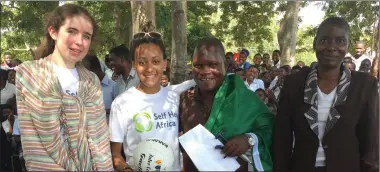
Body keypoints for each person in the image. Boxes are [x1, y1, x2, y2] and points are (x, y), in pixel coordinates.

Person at [273, 17, 379, 172]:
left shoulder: (364, 86)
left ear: (347, 45)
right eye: (324, 40)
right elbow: (282, 139)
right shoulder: (293, 83)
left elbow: (370, 144)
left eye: (340, 41)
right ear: (314, 43)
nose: (331, 47)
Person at [15, 4, 113, 171]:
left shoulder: (91, 81)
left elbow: (100, 140)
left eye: (87, 36)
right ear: (53, 32)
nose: (79, 42)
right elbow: (38, 142)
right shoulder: (29, 73)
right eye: (72, 31)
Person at [179, 37, 273, 172]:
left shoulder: (245, 98)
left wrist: (249, 139)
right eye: (198, 65)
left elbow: (271, 128)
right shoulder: (183, 99)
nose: (205, 71)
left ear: (225, 65)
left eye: (212, 65)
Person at [110, 32, 181, 171]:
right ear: (134, 65)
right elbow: (115, 154)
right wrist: (126, 169)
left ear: (164, 64)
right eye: (142, 62)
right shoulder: (121, 103)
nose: (149, 68)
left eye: (155, 61)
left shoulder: (175, 98)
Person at [82, 53, 117, 122]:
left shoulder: (113, 86)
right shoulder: (86, 87)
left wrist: (101, 110)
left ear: (96, 70)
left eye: (87, 72)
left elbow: (120, 111)